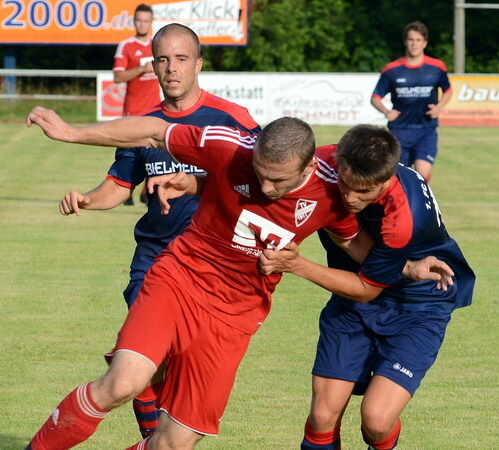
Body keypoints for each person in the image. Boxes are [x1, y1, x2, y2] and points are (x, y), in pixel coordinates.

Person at [23, 111, 452, 449]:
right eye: (260, 171)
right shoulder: (230, 147)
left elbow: (358, 250)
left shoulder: (333, 193)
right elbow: (155, 130)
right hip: (180, 280)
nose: (265, 185)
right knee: (123, 382)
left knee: (174, 443)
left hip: (236, 317)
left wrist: (408, 268)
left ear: (307, 166)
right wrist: (71, 132)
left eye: (277, 178)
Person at [58, 23, 260, 439]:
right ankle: (152, 441)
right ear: (154, 66)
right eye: (163, 60)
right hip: (153, 260)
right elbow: (117, 186)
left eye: (181, 59)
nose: (172, 69)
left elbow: (259, 183)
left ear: (198, 64)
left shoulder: (232, 120)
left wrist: (199, 185)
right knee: (143, 363)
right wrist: (87, 200)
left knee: (180, 370)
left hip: (211, 268)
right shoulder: (140, 126)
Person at [258, 125, 475, 450]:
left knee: (375, 421)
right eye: (345, 185)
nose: (350, 197)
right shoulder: (321, 161)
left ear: (386, 182)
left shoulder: (404, 217)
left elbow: (367, 288)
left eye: (364, 192)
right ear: (339, 161)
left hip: (416, 305)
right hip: (351, 303)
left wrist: (297, 265)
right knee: (322, 416)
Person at [371, 21, 452, 182]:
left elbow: (448, 90)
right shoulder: (392, 70)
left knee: (422, 173)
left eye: (418, 40)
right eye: (411, 39)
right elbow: (375, 98)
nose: (414, 44)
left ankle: (420, 200)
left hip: (426, 129)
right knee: (400, 178)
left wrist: (439, 107)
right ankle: (405, 205)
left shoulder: (436, 67)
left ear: (425, 43)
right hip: (399, 131)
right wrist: (387, 112)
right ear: (405, 41)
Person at [113, 3, 161, 205]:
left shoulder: (158, 45)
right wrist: (141, 70)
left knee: (156, 152)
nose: (142, 24)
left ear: (151, 22)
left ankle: (147, 191)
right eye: (139, 20)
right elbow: (117, 76)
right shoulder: (126, 45)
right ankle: (124, 191)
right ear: (134, 21)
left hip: (155, 108)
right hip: (133, 109)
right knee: (129, 152)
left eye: (146, 20)